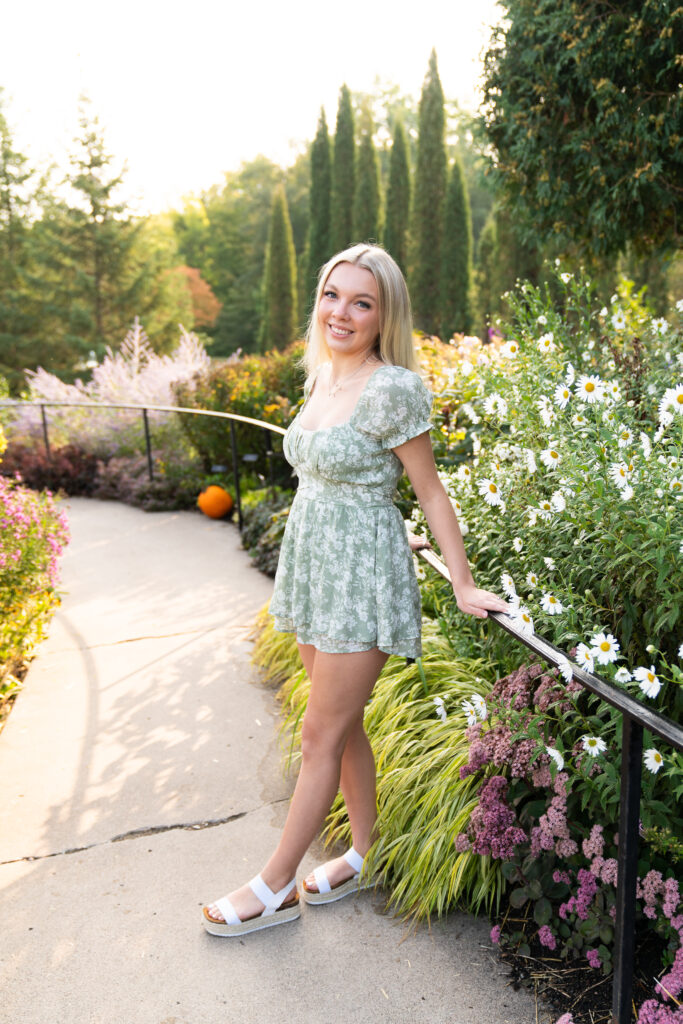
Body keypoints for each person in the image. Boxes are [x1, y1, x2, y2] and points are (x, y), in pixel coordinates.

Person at [202, 243, 508, 936]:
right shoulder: (322, 376)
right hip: (316, 568)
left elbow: (429, 489)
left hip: (361, 579)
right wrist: (378, 516)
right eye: (332, 295)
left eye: (361, 302)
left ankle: (273, 886)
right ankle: (363, 853)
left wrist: (460, 583)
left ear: (383, 313)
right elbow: (344, 476)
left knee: (319, 734)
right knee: (340, 728)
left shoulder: (391, 386)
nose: (341, 311)